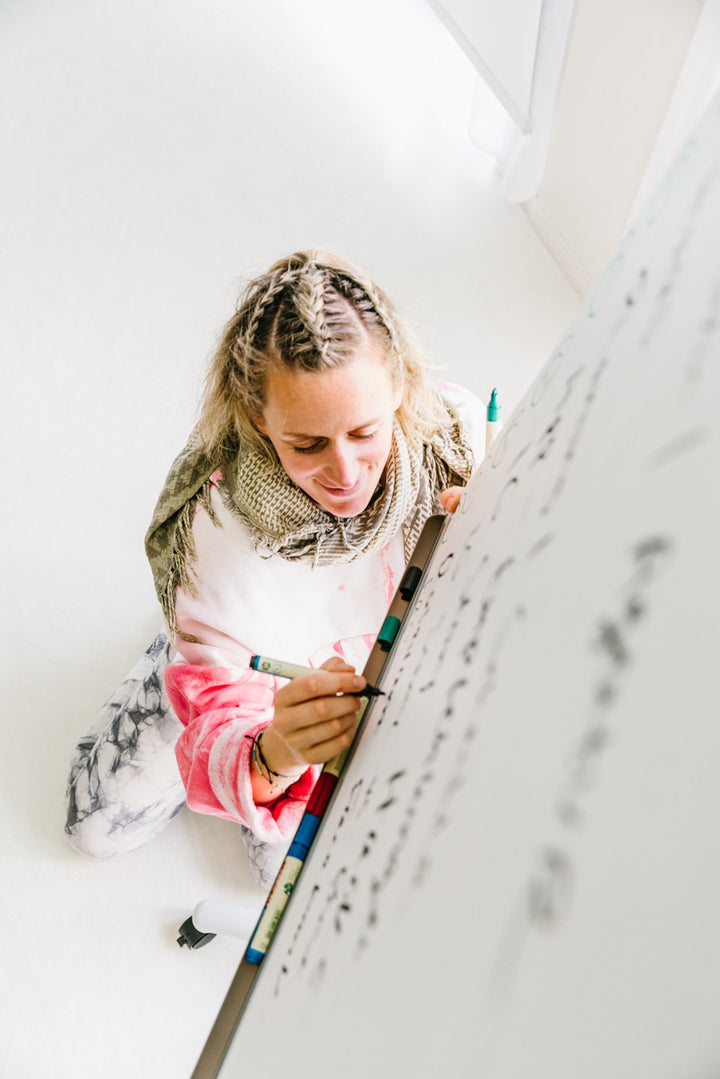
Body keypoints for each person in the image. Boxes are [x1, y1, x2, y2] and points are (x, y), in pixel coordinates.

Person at [65, 249, 483, 885]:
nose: (346, 474)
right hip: (250, 668)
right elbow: (246, 739)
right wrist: (277, 750)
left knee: (274, 879)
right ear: (258, 416)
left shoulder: (455, 439)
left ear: (399, 384)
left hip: (369, 665)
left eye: (365, 432)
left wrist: (487, 535)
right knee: (95, 827)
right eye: (307, 443)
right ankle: (177, 653)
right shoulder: (213, 531)